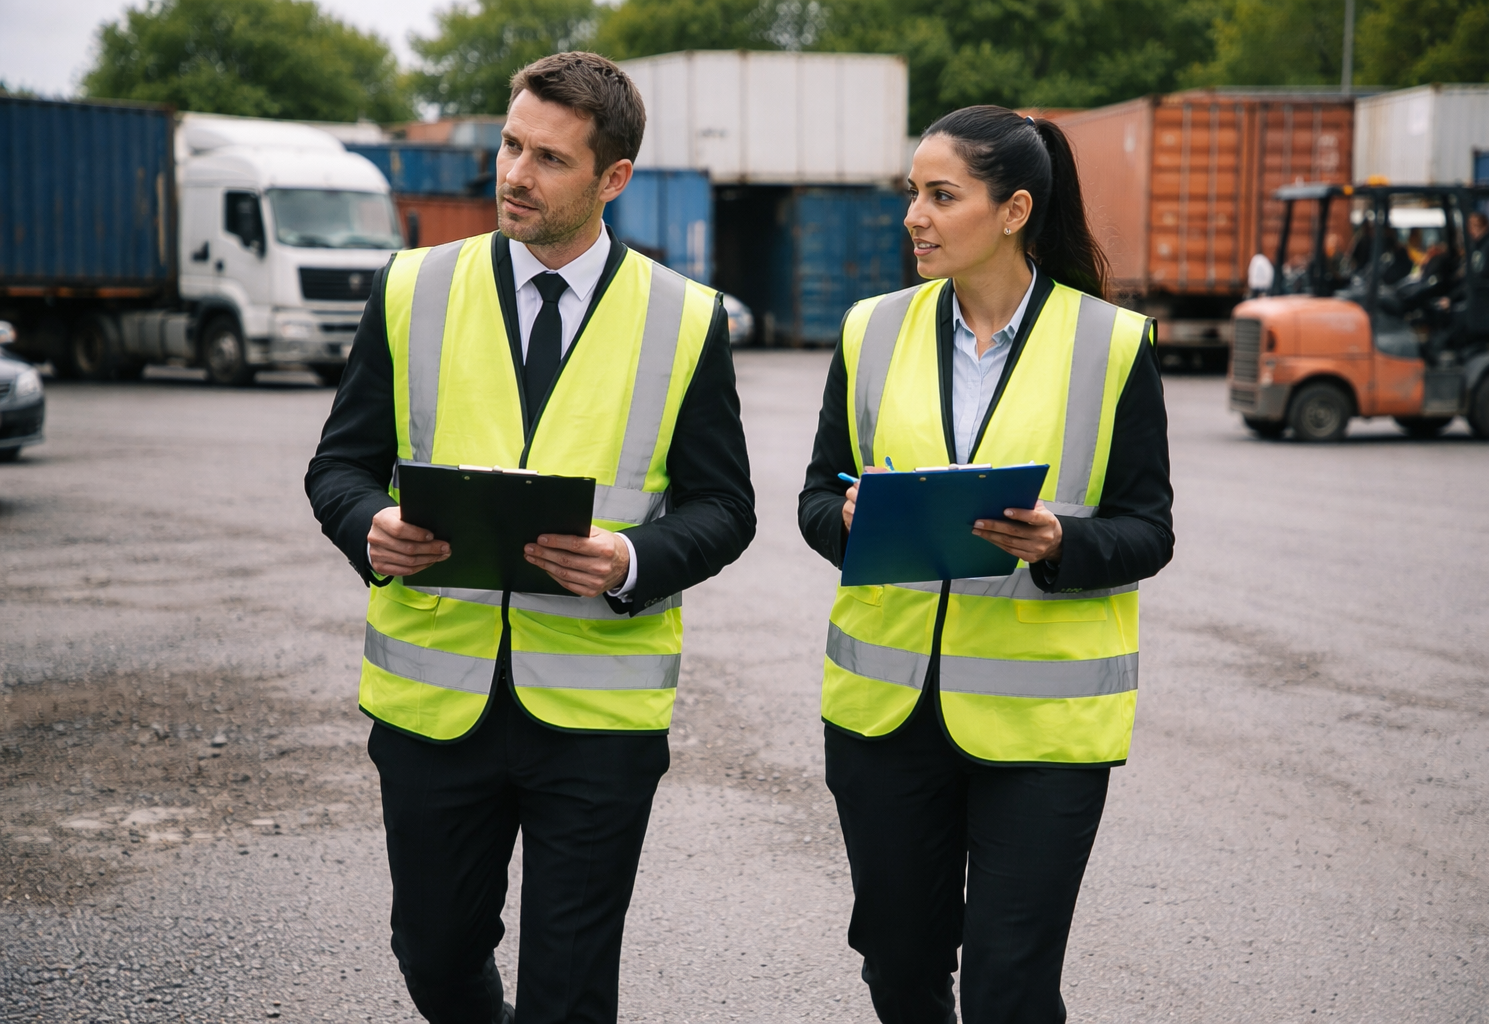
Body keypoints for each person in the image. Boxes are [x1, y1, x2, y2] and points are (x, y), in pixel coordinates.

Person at [305, 52, 755, 1024]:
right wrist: (369, 526)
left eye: (549, 158)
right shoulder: (412, 288)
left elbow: (727, 508)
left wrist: (632, 560)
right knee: (433, 953)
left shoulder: (685, 320)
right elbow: (335, 468)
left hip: (597, 722)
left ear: (612, 179)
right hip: (433, 704)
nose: (514, 173)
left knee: (571, 988)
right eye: (511, 145)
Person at [798, 107, 1174, 1024]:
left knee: (1011, 989)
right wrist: (847, 517)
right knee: (898, 968)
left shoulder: (1111, 344)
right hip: (885, 721)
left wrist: (1061, 545)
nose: (913, 217)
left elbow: (1149, 528)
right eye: (911, 195)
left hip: (1042, 728)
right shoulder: (869, 332)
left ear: (1012, 211)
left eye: (940, 196)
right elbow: (813, 500)